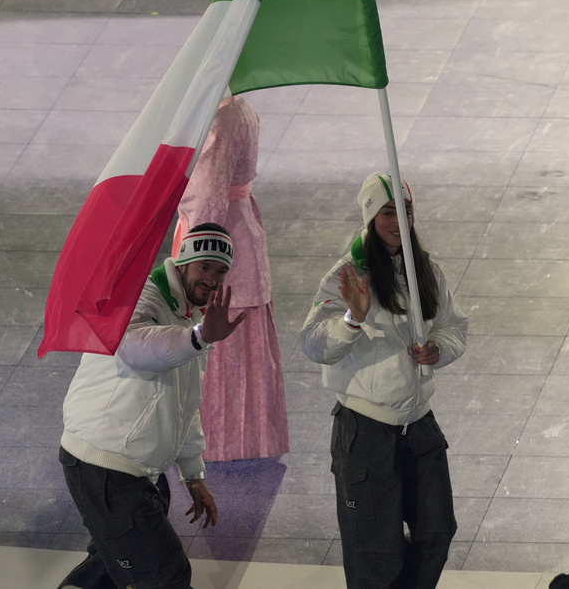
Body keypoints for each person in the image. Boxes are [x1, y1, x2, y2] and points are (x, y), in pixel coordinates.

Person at [300, 172, 468, 589]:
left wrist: (438, 350)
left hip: (419, 424)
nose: (397, 221)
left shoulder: (425, 270)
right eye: (387, 212)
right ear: (370, 215)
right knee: (375, 554)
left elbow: (453, 326)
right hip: (366, 428)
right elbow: (313, 343)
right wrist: (351, 319)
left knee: (437, 533)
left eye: (405, 211)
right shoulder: (347, 274)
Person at [57, 223, 247, 589]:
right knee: (166, 576)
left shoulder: (190, 315)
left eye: (221, 271)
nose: (212, 279)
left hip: (138, 469)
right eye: (204, 267)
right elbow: (133, 346)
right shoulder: (139, 295)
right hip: (105, 466)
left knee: (109, 569)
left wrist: (193, 473)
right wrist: (200, 337)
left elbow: (185, 403)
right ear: (183, 263)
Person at [173, 95, 289, 461]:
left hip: (222, 242)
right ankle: (254, 438)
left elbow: (207, 199)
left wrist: (191, 256)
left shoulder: (221, 121)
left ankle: (218, 442)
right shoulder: (241, 109)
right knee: (246, 349)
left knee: (221, 342)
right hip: (243, 229)